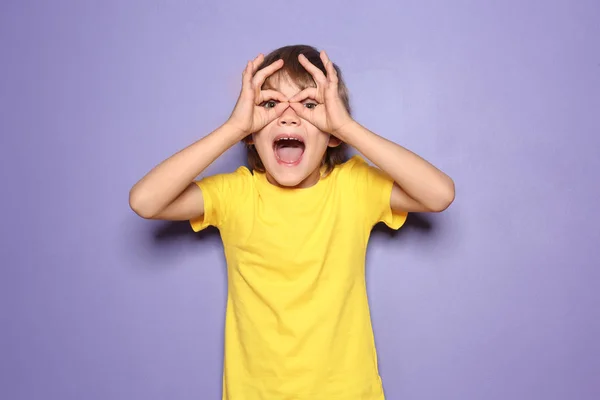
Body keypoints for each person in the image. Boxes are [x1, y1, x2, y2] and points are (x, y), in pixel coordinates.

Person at [129, 44, 455, 400]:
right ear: (253, 134)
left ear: (331, 136)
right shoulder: (237, 194)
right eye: (270, 104)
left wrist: (346, 126)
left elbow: (439, 195)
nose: (289, 116)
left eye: (309, 105)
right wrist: (235, 127)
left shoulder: (354, 187)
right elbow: (145, 201)